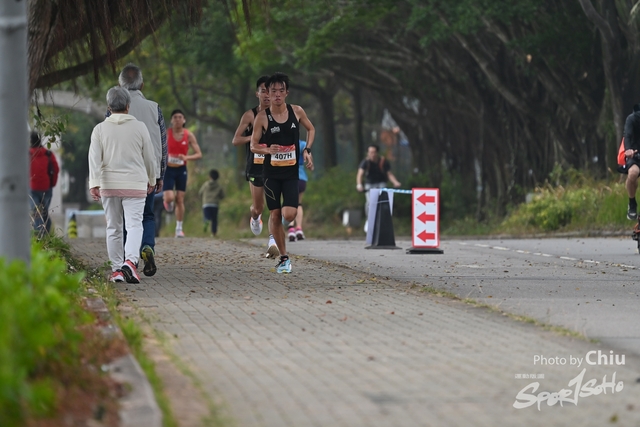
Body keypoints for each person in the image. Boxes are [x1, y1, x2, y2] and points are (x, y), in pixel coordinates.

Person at [89, 86, 157, 284]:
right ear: (128, 106)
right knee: (135, 225)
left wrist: (94, 183)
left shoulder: (99, 129)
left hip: (109, 184)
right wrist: (151, 179)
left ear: (109, 107)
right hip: (135, 184)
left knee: (114, 227)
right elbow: (150, 158)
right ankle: (131, 261)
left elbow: (94, 159)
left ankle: (117, 270)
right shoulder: (140, 127)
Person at [250, 72, 315, 273]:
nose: (277, 94)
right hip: (270, 174)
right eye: (273, 91)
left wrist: (307, 150)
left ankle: (282, 228)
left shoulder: (297, 112)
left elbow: (311, 130)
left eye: (281, 90)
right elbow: (253, 145)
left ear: (287, 92)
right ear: (267, 93)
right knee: (275, 214)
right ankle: (285, 259)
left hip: (291, 172)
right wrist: (267, 149)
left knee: (290, 213)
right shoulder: (262, 117)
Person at [118, 63, 167, 276]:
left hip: (120, 173)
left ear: (119, 85)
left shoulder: (113, 109)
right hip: (147, 173)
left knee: (124, 217)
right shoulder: (154, 107)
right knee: (146, 215)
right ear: (142, 84)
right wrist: (160, 174)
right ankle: (147, 247)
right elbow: (162, 144)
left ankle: (128, 260)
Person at [231, 76, 279, 257]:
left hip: (275, 165)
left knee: (274, 206)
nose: (267, 95)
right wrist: (254, 139)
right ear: (257, 93)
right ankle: (255, 216)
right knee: (259, 207)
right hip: (256, 166)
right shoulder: (250, 115)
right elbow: (235, 140)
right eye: (263, 91)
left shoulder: (279, 114)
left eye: (270, 91)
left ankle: (273, 242)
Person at [163, 109, 202, 237]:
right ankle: (168, 201)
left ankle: (179, 228)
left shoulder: (188, 135)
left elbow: (198, 154)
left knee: (180, 199)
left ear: (184, 120)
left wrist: (186, 158)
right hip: (168, 169)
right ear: (171, 120)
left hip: (181, 169)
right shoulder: (166, 134)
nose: (178, 119)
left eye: (180, 117)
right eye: (175, 117)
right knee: (170, 197)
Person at [356, 144, 401, 231]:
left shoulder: (383, 161)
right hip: (369, 185)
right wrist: (359, 184)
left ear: (377, 153)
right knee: (369, 203)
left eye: (373, 152)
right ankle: (369, 221)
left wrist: (395, 182)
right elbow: (360, 174)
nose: (372, 154)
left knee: (384, 203)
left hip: (381, 183)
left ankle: (384, 223)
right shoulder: (366, 162)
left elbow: (389, 174)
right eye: (370, 152)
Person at [29, 132, 60, 237]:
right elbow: (55, 169)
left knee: (37, 212)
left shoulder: (28, 154)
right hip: (46, 188)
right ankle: (47, 235)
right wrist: (52, 184)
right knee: (45, 211)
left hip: (32, 188)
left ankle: (40, 237)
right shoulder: (48, 154)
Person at [287, 139, 312, 242]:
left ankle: (291, 228)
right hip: (301, 177)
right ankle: (299, 229)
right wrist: (311, 165)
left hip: (288, 177)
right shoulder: (302, 144)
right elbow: (310, 159)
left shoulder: (285, 142)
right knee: (298, 204)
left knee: (288, 203)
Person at [623, 103, 640, 220]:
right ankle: (632, 204)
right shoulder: (632, 119)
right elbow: (627, 136)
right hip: (635, 155)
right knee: (633, 173)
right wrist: (628, 150)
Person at [198, 169, 225, 236]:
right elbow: (222, 196)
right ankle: (213, 233)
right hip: (214, 204)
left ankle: (206, 221)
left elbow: (200, 193)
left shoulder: (205, 184)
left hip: (206, 204)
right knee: (214, 220)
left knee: (206, 216)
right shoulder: (219, 186)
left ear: (209, 176)